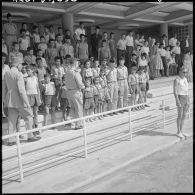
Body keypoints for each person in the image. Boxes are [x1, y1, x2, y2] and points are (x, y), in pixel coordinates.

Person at [2, 57, 40, 145]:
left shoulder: (6, 73)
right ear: (18, 64)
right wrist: (27, 103)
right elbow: (21, 90)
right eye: (21, 65)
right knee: (29, 116)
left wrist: (4, 100)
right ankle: (30, 136)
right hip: (19, 100)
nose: (21, 67)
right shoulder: (18, 74)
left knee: (11, 120)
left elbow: (3, 88)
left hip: (10, 100)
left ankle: (11, 140)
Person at [65, 58, 85, 129]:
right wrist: (83, 87)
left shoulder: (67, 72)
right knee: (79, 108)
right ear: (75, 64)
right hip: (76, 91)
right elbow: (80, 84)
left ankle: (69, 118)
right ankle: (78, 124)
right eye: (77, 63)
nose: (78, 64)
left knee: (73, 108)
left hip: (69, 92)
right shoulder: (75, 72)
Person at [173, 66, 190, 139]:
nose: (185, 74)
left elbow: (187, 90)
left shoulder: (185, 79)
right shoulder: (177, 80)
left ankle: (182, 131)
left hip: (185, 97)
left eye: (186, 72)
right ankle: (178, 131)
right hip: (180, 97)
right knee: (180, 116)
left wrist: (188, 100)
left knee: (184, 115)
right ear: (180, 72)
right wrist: (178, 101)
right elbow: (175, 92)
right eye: (184, 72)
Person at [25, 65, 42, 136]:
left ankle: (36, 127)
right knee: (30, 114)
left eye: (28, 70)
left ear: (32, 70)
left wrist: (39, 98)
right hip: (29, 97)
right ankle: (31, 129)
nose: (27, 72)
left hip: (35, 96)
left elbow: (37, 88)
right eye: (27, 70)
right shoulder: (25, 79)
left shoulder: (36, 78)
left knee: (35, 113)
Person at [2, 52, 10, 118]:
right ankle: (3, 113)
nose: (3, 60)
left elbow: (10, 75)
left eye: (4, 59)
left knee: (6, 99)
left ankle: (6, 112)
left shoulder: (7, 66)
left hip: (6, 84)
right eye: (2, 59)